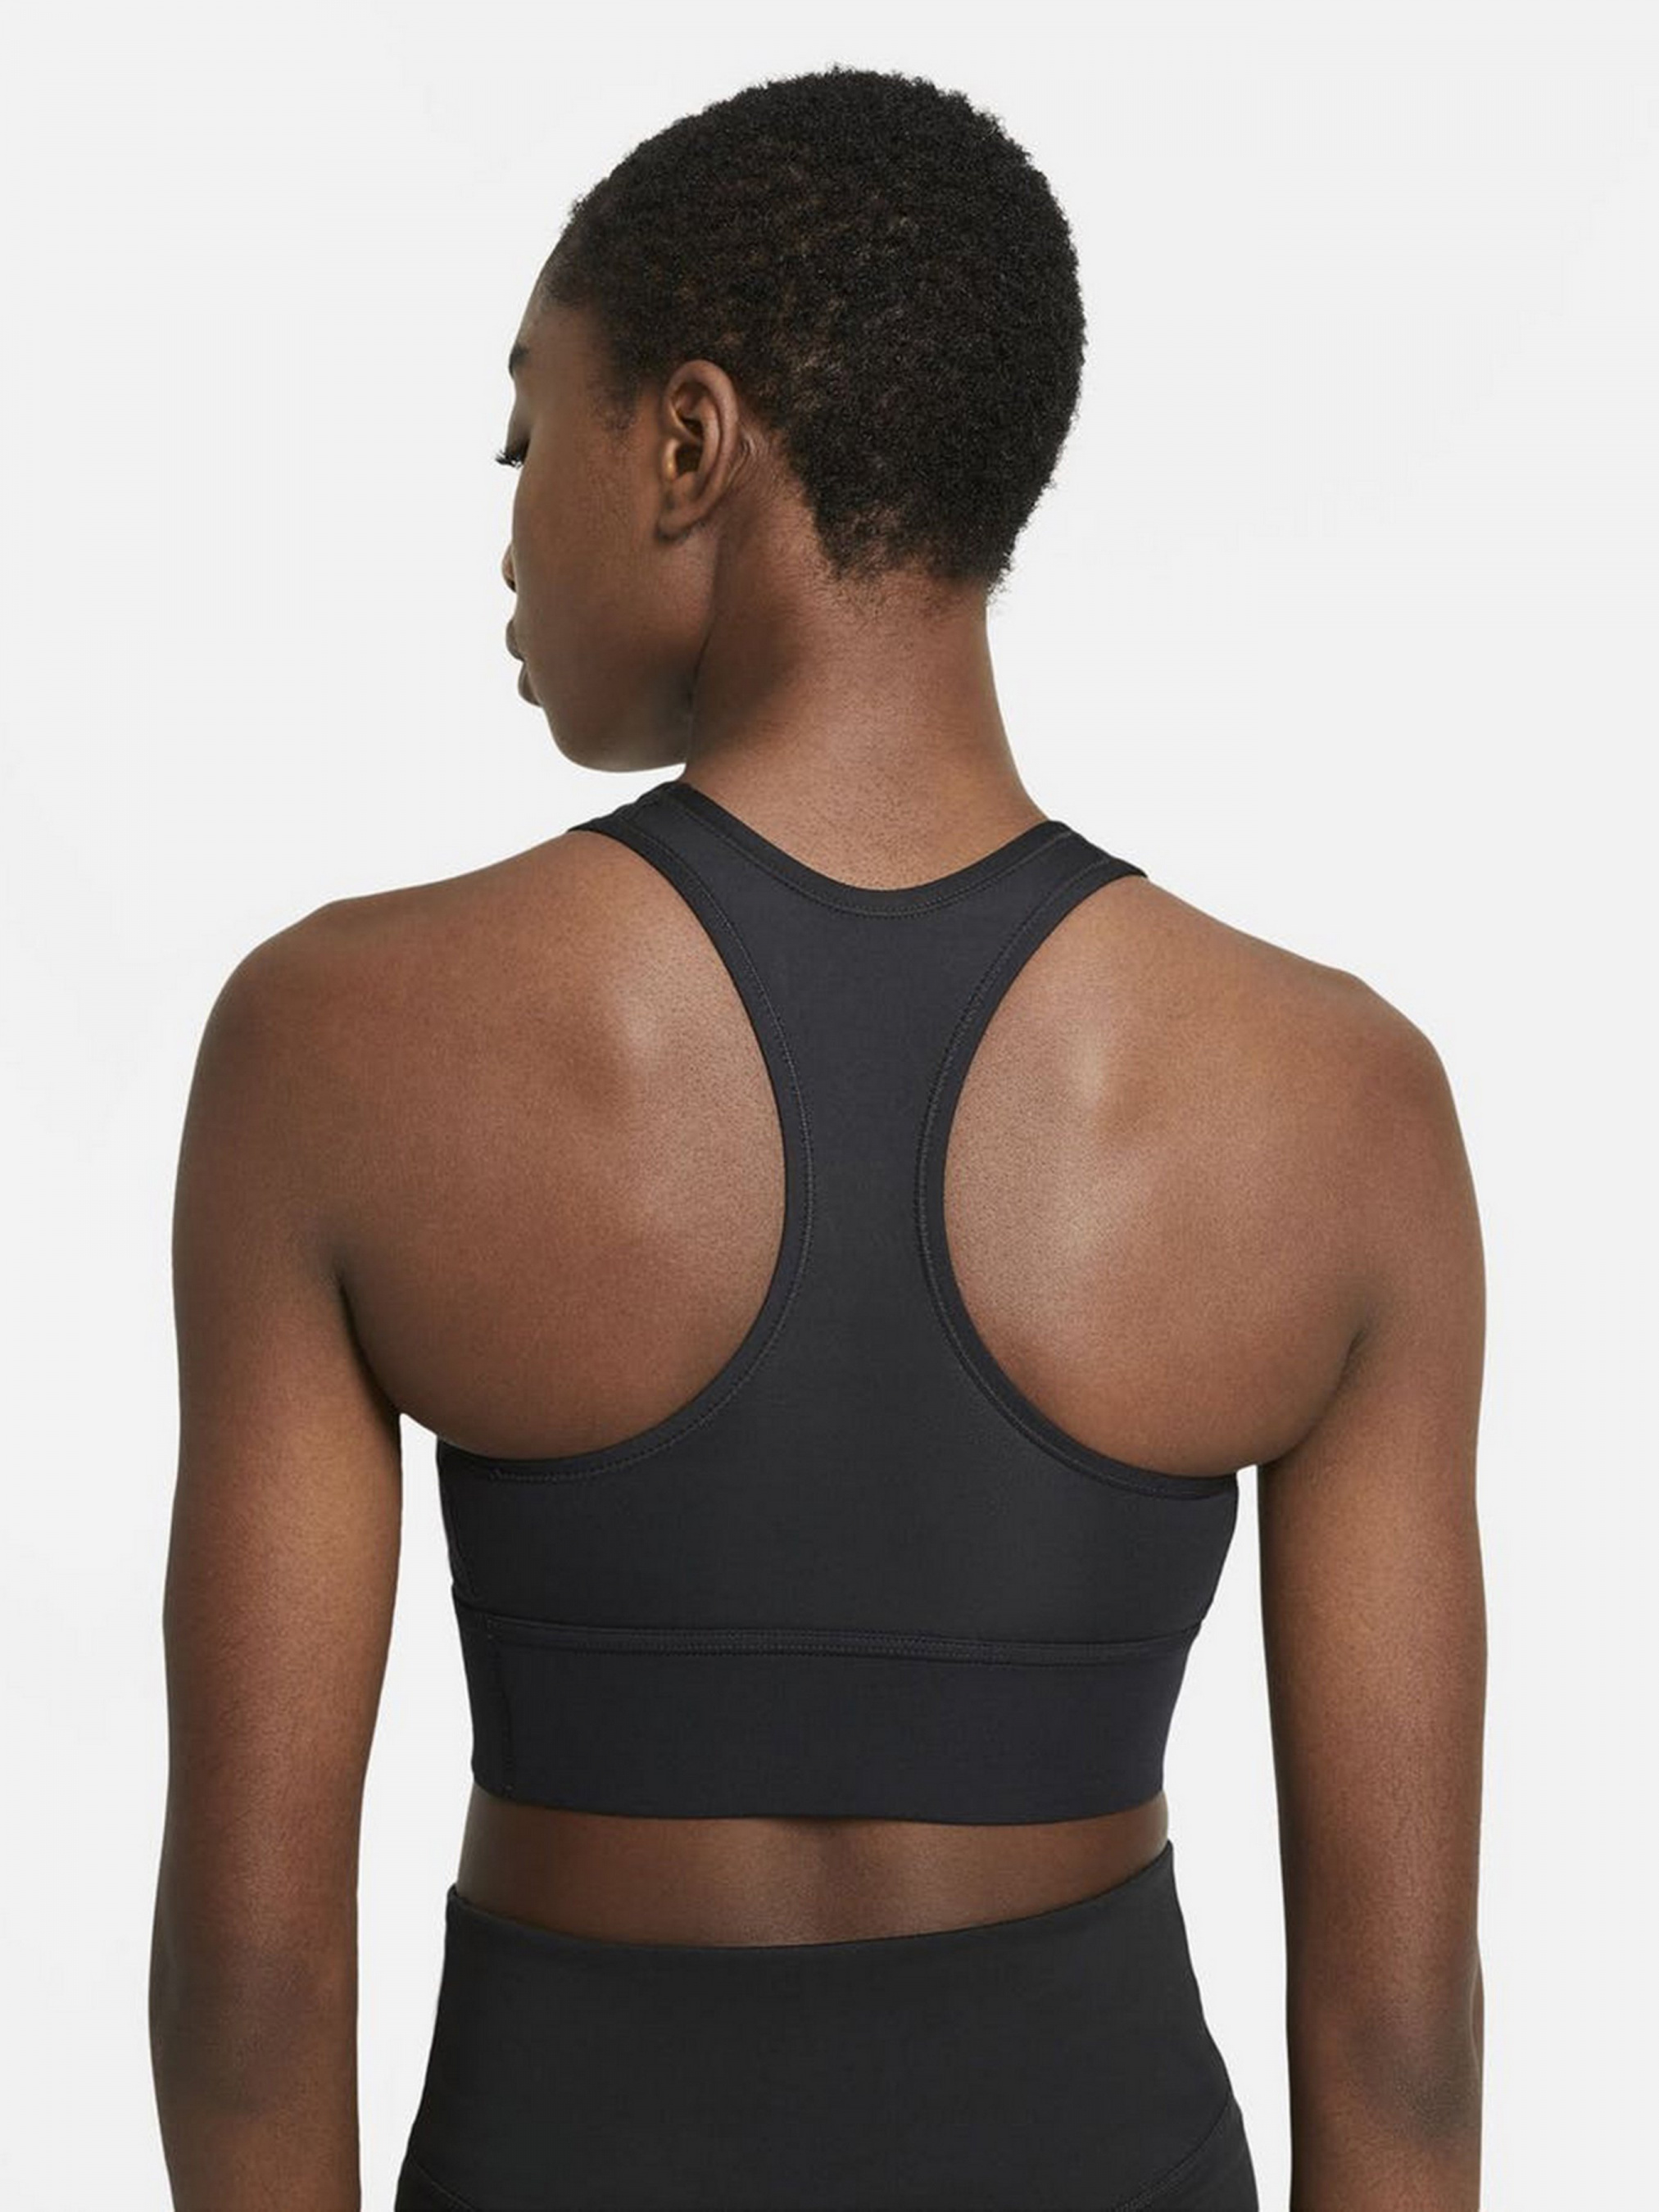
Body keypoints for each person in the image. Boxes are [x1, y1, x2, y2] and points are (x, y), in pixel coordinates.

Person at [149, 65, 1486, 2212]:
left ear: (688, 445)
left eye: (525, 435)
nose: (506, 522)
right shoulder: (1337, 1100)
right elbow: (1400, 2049)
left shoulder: (340, 1042)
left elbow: (250, 1986)